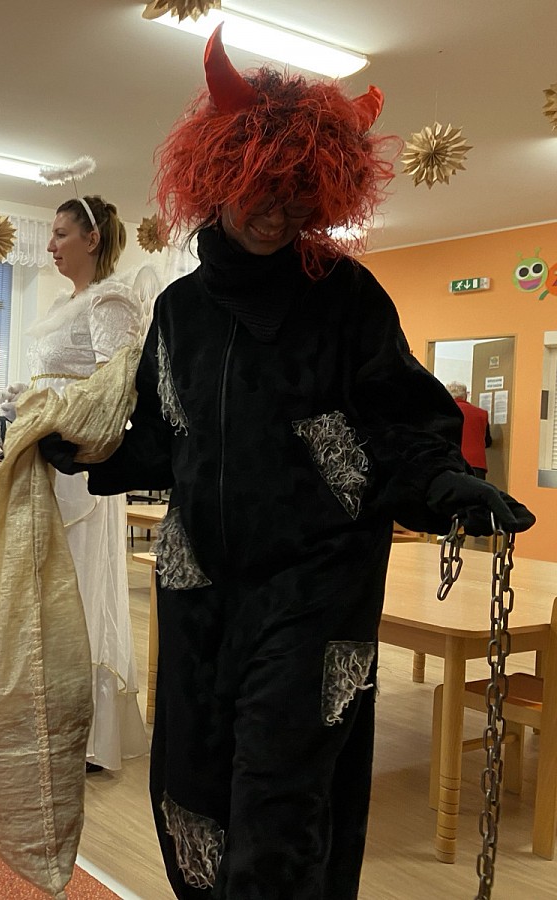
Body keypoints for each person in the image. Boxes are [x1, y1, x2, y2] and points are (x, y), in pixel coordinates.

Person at [40, 27, 535, 899]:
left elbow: (404, 418)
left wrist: (446, 482)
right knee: (192, 792)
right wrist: (85, 450)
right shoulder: (181, 312)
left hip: (318, 588)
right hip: (198, 589)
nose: (276, 210)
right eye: (259, 188)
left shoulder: (347, 299)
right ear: (219, 178)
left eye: (296, 192)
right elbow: (164, 439)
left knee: (281, 802)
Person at [29, 194, 149, 772]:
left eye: (60, 234)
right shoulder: (67, 303)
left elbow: (113, 389)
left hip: (80, 466)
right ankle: (52, 719)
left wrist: (65, 430)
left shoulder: (110, 301)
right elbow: (55, 379)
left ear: (92, 239)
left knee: (79, 588)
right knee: (49, 591)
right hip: (48, 460)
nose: (51, 245)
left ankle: (85, 730)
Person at [446, 380, 493, 479]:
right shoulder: (481, 413)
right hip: (477, 464)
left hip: (453, 462)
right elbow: (488, 441)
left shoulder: (446, 412)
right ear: (465, 396)